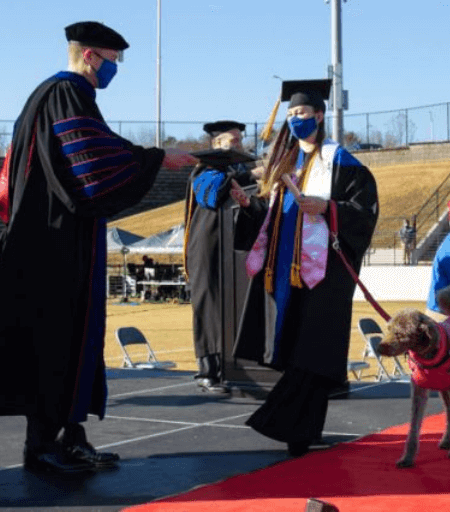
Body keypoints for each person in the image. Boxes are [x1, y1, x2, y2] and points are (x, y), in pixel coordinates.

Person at [0, 21, 198, 474]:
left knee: (71, 339)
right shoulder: (66, 93)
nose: (115, 68)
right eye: (112, 59)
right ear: (89, 55)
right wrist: (157, 158)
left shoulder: (45, 95)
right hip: (55, 240)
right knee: (55, 340)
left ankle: (71, 437)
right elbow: (92, 161)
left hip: (56, 235)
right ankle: (43, 446)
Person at [230, 79, 379, 456]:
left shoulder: (339, 161)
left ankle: (286, 424)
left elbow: (364, 210)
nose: (296, 119)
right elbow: (272, 214)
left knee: (314, 352)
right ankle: (306, 430)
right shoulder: (285, 162)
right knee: (301, 352)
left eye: (302, 112)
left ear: (319, 116)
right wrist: (249, 206)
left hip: (324, 274)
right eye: (292, 113)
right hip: (286, 272)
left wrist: (328, 208)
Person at [184, 120, 257, 394]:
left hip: (234, 249)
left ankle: (236, 369)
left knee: (236, 306)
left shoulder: (241, 171)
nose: (239, 144)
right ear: (216, 144)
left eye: (240, 139)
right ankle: (208, 371)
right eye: (232, 140)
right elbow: (213, 196)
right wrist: (252, 176)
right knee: (209, 307)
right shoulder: (204, 172)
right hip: (207, 248)